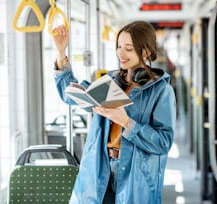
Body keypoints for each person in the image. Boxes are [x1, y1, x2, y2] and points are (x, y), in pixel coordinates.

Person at [52, 20, 176, 204]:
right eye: (119, 47)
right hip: (99, 166)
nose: (121, 53)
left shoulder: (161, 91)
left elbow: (163, 142)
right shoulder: (110, 82)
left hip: (136, 173)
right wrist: (61, 52)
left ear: (146, 51)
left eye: (128, 48)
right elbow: (70, 94)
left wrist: (127, 123)